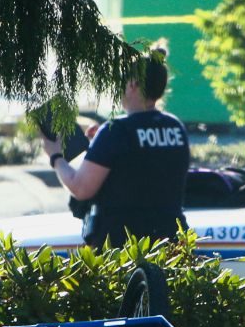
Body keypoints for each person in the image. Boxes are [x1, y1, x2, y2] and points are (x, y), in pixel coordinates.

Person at [40, 47, 190, 249]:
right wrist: (99, 145)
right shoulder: (175, 127)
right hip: (171, 243)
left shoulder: (116, 131)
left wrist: (55, 156)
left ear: (133, 84)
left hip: (123, 248)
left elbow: (81, 188)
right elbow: (145, 167)